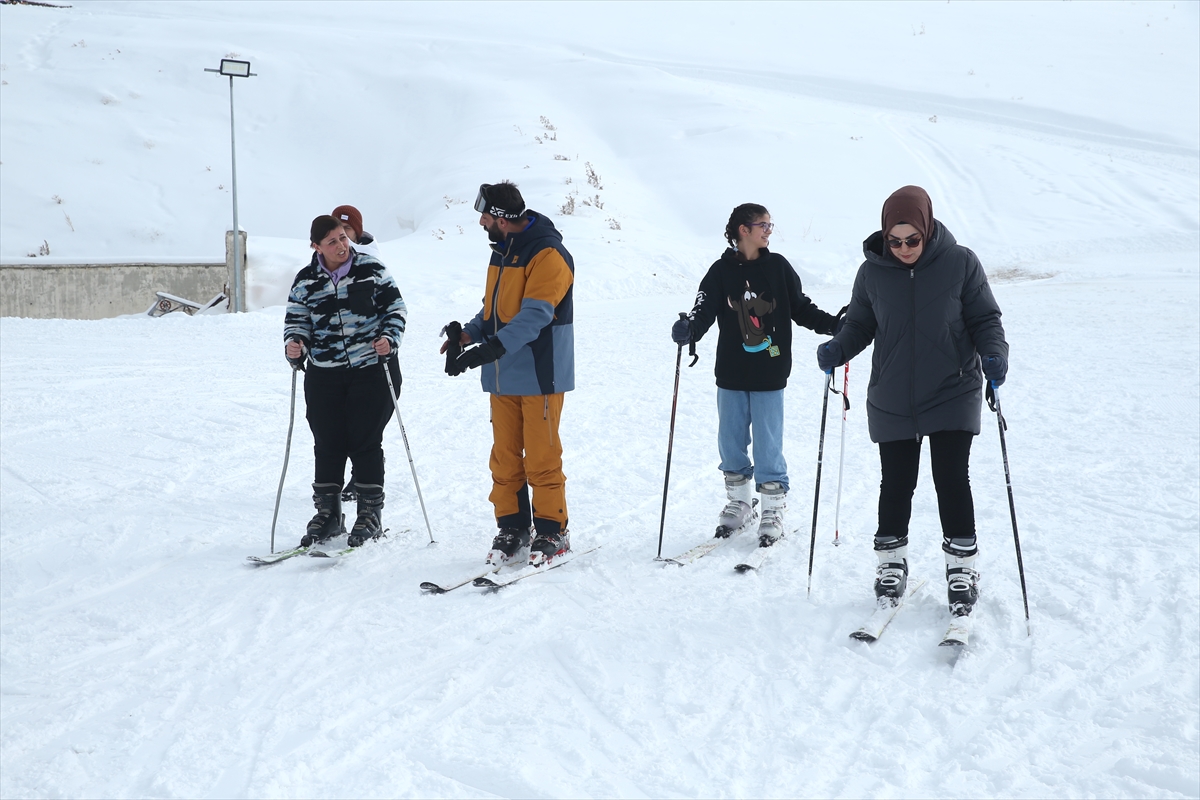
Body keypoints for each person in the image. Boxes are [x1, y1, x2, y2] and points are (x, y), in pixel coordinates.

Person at [815, 185, 1008, 617]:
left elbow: (984, 319)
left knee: (951, 477)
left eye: (912, 240)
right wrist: (837, 348)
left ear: (927, 228)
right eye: (894, 240)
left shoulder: (960, 264)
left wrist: (995, 355)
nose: (903, 249)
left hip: (952, 389)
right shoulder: (872, 273)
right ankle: (890, 564)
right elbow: (860, 325)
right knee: (897, 482)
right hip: (893, 393)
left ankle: (961, 569)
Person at [672, 203, 843, 548]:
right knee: (730, 441)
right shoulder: (720, 271)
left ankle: (773, 506)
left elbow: (801, 307)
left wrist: (835, 325)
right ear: (742, 230)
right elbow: (703, 310)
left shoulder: (778, 267)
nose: (769, 230)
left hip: (770, 371)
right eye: (762, 224)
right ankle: (739, 501)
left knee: (768, 443)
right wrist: (689, 329)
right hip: (731, 372)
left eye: (769, 224)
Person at [441, 181, 575, 568]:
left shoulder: (548, 254)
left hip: (539, 373)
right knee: (504, 457)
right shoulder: (503, 252)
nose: (482, 221)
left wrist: (489, 350)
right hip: (503, 376)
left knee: (542, 456)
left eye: (486, 215)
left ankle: (552, 530)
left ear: (502, 217)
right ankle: (513, 527)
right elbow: (493, 311)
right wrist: (467, 335)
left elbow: (534, 316)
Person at [284, 215, 407, 548]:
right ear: (316, 247)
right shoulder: (306, 280)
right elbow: (297, 320)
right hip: (325, 372)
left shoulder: (371, 269)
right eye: (332, 242)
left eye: (342, 238)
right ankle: (328, 514)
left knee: (364, 440)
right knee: (327, 442)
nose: (340, 246)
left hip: (371, 369)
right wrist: (295, 345)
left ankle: (369, 514)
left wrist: (388, 337)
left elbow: (396, 309)